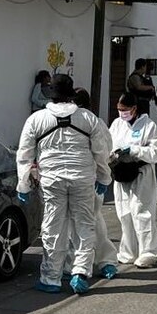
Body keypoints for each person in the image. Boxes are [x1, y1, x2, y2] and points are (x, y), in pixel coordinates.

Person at [16, 74, 111, 294]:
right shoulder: (88, 118)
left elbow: (25, 154)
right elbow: (101, 152)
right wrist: (104, 177)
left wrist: (23, 184)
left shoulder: (37, 119)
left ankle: (51, 279)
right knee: (84, 225)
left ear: (51, 93)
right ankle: (80, 272)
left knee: (53, 227)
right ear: (71, 94)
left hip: (52, 181)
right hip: (83, 179)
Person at [60, 87, 119, 281]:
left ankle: (88, 263)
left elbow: (104, 153)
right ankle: (100, 261)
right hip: (77, 179)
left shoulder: (92, 123)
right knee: (87, 221)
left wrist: (102, 176)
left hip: (87, 180)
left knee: (85, 223)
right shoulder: (75, 122)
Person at [111, 92, 157, 268]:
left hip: (141, 172)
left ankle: (148, 252)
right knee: (124, 213)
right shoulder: (117, 124)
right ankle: (128, 252)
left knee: (142, 212)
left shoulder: (148, 126)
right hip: (121, 172)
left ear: (134, 108)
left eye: (125, 110)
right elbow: (108, 144)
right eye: (119, 110)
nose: (122, 113)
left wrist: (135, 151)